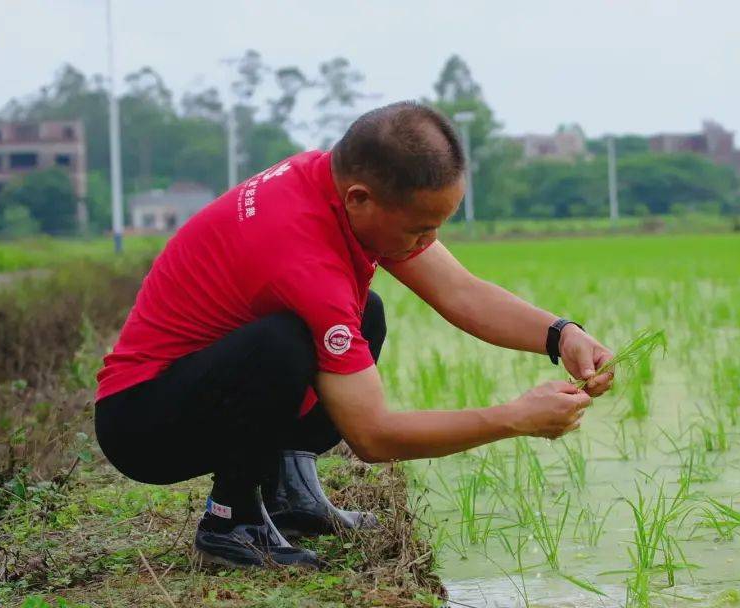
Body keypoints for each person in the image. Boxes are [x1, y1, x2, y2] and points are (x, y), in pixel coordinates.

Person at [94, 101, 615, 568]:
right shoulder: (305, 260)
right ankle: (232, 520)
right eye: (420, 229)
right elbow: (373, 436)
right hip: (144, 424)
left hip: (193, 383)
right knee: (281, 345)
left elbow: (460, 292)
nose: (428, 242)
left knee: (366, 313)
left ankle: (289, 495)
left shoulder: (332, 182)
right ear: (361, 199)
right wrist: (514, 419)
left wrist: (560, 334)